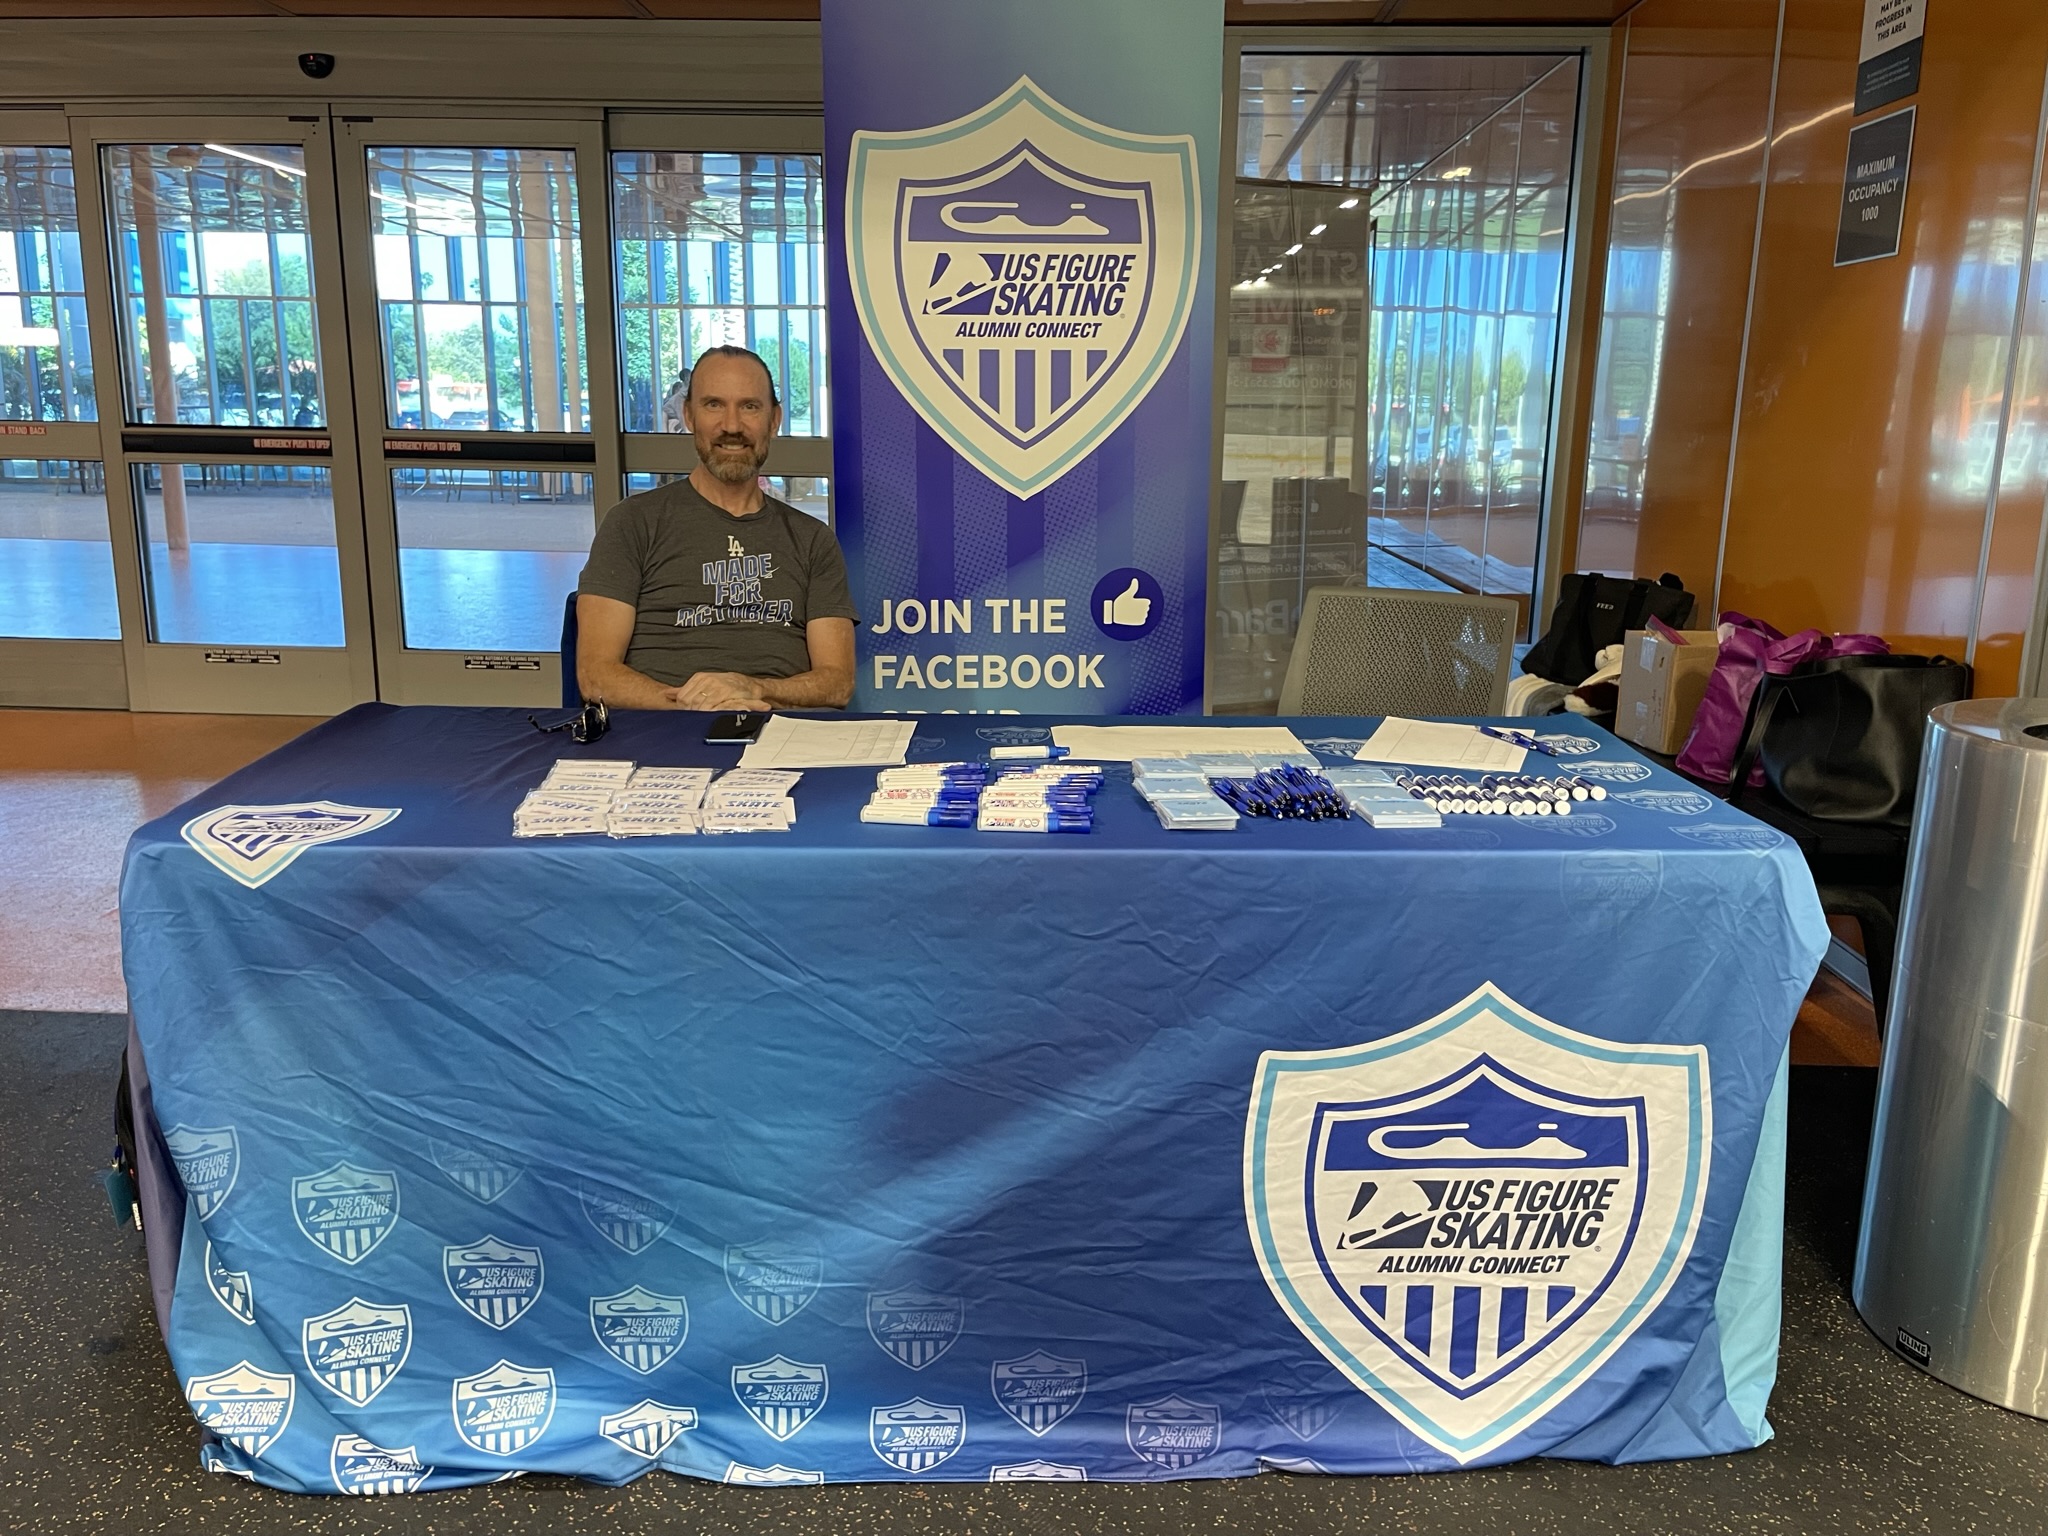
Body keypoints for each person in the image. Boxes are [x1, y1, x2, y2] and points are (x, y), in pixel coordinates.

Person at [575, 346, 856, 711]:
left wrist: (753, 690)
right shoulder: (632, 523)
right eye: (714, 405)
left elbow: (837, 684)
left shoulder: (812, 540)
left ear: (774, 420)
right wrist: (696, 709)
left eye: (750, 407)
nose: (732, 426)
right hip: (662, 730)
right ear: (689, 415)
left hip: (780, 734)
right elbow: (595, 675)